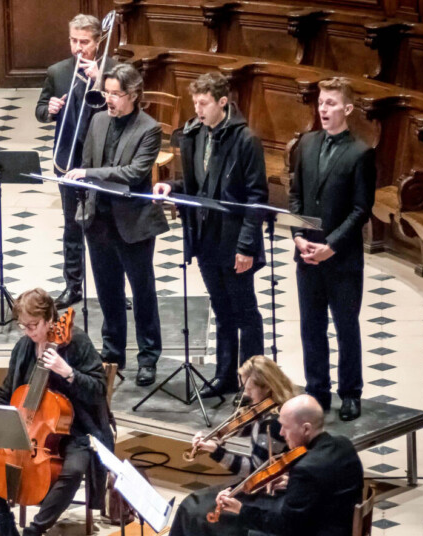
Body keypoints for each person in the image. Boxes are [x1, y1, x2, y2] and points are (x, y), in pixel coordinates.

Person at [0, 288, 112, 536]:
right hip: (28, 425)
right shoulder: (24, 346)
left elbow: (98, 390)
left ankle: (32, 535)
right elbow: (8, 389)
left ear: (49, 319)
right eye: (22, 326)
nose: (27, 331)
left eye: (33, 326)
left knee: (72, 470)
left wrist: (66, 371)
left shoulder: (76, 342)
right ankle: (5, 525)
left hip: (75, 429)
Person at [153, 355, 295, 536]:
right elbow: (242, 427)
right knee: (190, 503)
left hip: (265, 495)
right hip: (255, 486)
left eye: (249, 388)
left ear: (266, 387)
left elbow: (253, 471)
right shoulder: (263, 407)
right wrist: (212, 439)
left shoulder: (275, 423)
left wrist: (217, 453)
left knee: (200, 516)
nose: (245, 393)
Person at [153, 73, 267, 398]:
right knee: (221, 310)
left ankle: (253, 385)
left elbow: (257, 199)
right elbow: (195, 187)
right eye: (195, 103)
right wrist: (171, 188)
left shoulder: (245, 141)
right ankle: (225, 376)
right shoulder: (194, 134)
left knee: (246, 313)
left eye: (204, 104)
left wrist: (246, 247)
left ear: (222, 102)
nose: (198, 110)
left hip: (234, 243)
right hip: (204, 239)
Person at [218, 394, 365, 536]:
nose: (281, 434)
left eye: (285, 428)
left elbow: (287, 525)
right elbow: (327, 489)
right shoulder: (342, 445)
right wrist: (292, 485)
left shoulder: (306, 468)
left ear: (306, 428)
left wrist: (241, 510)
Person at [65, 62, 167, 387]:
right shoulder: (97, 121)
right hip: (99, 222)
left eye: (116, 94)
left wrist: (89, 175)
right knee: (108, 293)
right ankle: (112, 354)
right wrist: (81, 183)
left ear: (134, 95)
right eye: (106, 92)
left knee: (142, 293)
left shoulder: (149, 128)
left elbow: (134, 173)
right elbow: (86, 162)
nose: (109, 99)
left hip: (133, 224)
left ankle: (148, 357)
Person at [289, 77, 374, 422]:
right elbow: (295, 196)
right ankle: (317, 390)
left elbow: (360, 210)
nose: (324, 109)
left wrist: (331, 246)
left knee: (345, 326)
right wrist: (298, 236)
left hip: (342, 259)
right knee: (311, 326)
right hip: (306, 253)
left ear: (348, 109)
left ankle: (350, 393)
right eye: (322, 103)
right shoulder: (307, 144)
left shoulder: (361, 153)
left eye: (332, 104)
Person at [36, 14, 111, 308]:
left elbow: (131, 106)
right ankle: (73, 284)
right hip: (68, 156)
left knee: (107, 227)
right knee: (72, 225)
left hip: (103, 161)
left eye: (85, 42)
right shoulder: (58, 71)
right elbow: (41, 109)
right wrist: (49, 109)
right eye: (74, 41)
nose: (79, 48)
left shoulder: (114, 69)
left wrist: (100, 80)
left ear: (98, 41)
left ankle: (112, 286)